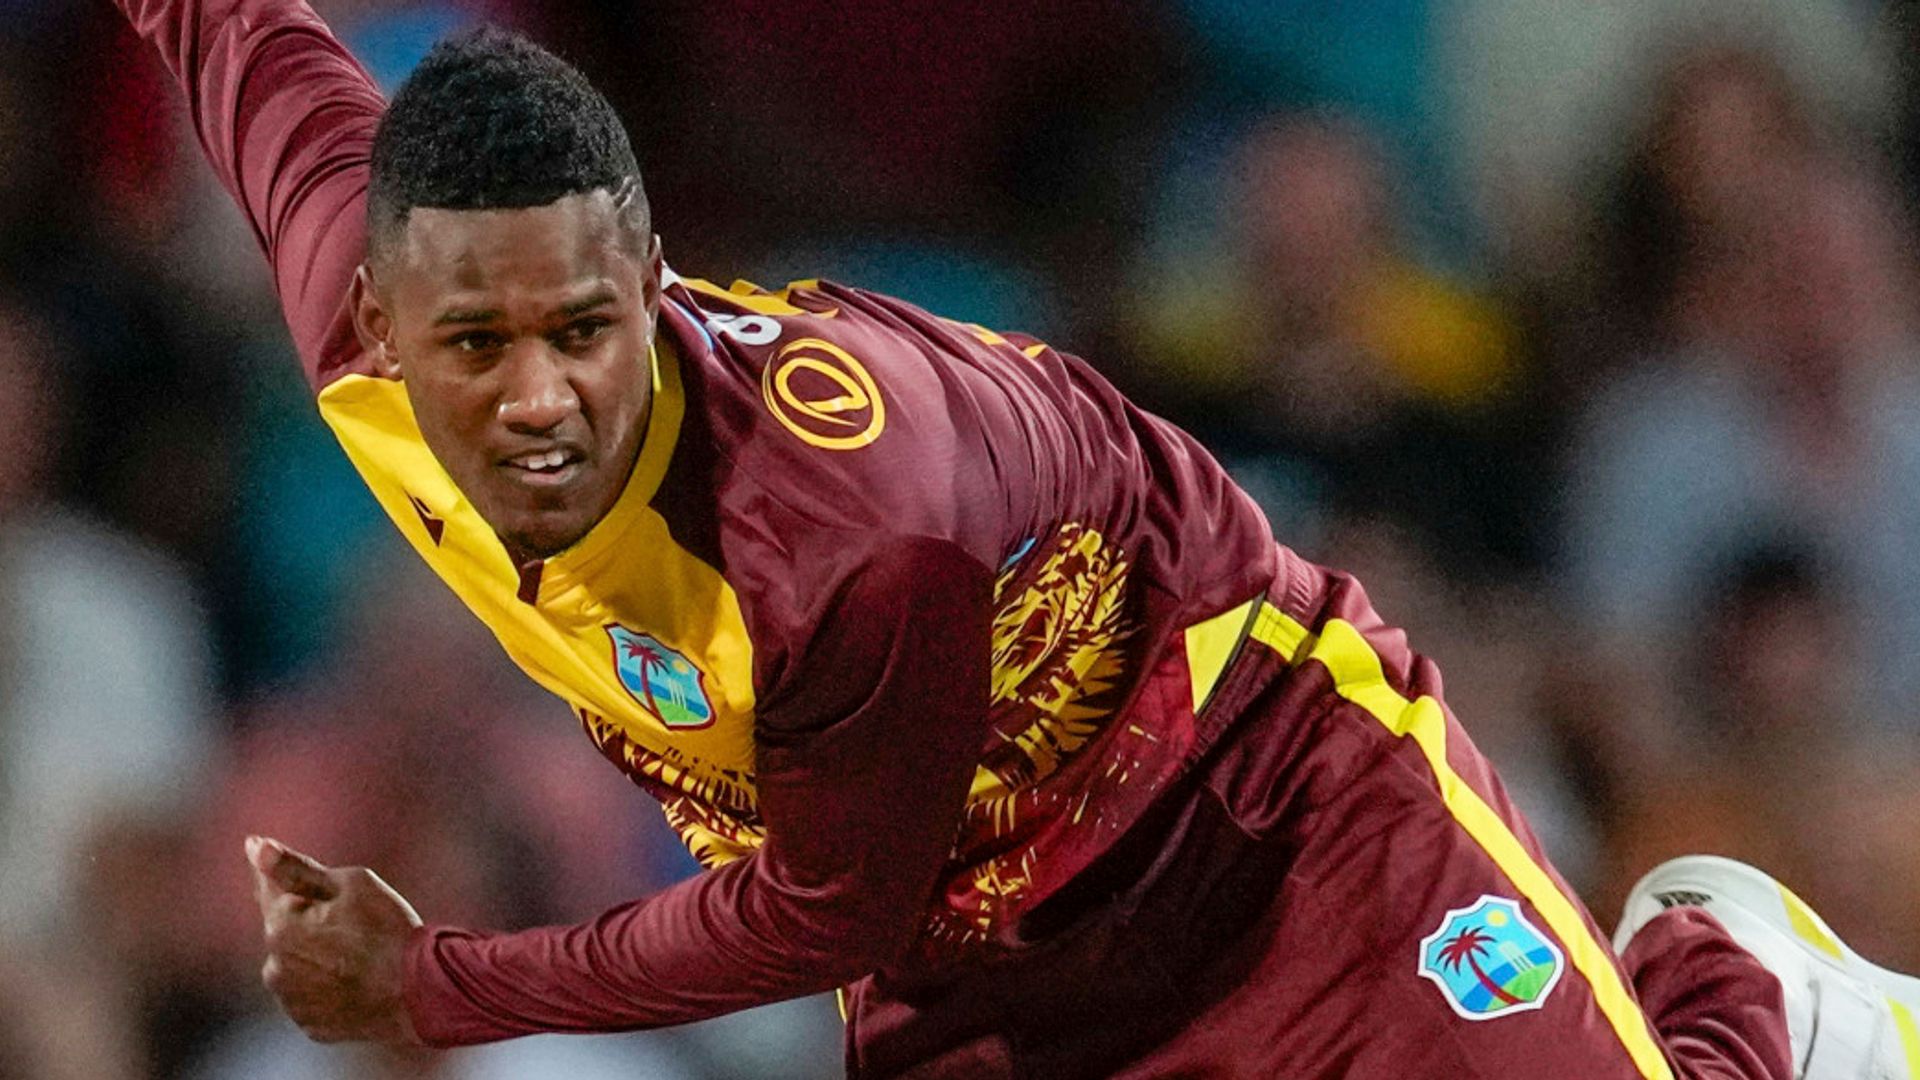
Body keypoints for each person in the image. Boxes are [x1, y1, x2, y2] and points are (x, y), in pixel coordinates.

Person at [112, 0, 1919, 1075]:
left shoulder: (838, 522)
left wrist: (435, 980)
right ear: (377, 317)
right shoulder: (345, 305)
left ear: (651, 281)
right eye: (474, 347)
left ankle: (1736, 984)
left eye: (586, 331)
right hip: (976, 954)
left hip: (1252, 803)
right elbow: (222, 26)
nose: (538, 403)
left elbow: (814, 913)